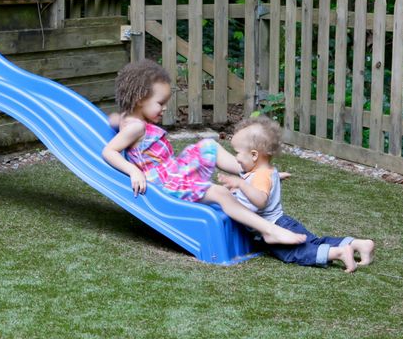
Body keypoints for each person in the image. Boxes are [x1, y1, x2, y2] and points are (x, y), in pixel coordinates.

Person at [102, 60, 305, 246]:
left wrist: (116, 119)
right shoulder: (135, 128)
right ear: (139, 100)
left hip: (172, 169)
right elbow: (109, 151)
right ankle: (269, 230)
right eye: (160, 103)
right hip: (163, 183)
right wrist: (133, 171)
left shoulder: (127, 119)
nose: (164, 109)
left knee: (210, 145)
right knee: (220, 193)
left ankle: (254, 174)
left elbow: (113, 119)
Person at [218, 115, 376, 272]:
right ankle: (357, 244)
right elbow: (259, 190)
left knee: (297, 252)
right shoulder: (266, 171)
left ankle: (338, 253)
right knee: (314, 242)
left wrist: (240, 184)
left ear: (254, 155)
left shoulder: (260, 176)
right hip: (283, 222)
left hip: (277, 227)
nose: (236, 158)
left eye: (237, 152)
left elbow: (260, 200)